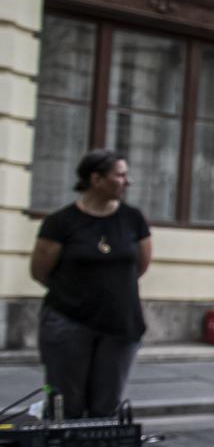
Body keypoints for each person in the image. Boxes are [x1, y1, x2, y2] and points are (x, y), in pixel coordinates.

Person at [29, 151, 151, 418]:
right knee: (66, 403)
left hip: (120, 323)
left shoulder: (133, 219)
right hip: (68, 321)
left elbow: (140, 266)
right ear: (96, 179)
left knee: (105, 405)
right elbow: (40, 271)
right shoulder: (60, 222)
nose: (126, 181)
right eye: (120, 175)